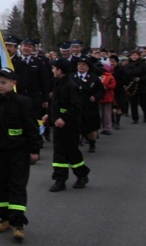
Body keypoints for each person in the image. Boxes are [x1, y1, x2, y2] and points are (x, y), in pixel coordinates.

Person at [0, 67, 40, 241]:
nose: (0, 86)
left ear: (13, 83)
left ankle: (18, 223)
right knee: (0, 186)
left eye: (4, 83)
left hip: (18, 152)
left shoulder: (22, 102)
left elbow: (31, 127)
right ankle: (4, 218)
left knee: (16, 186)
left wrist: (34, 150)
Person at [46, 58, 90, 192]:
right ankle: (60, 179)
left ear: (60, 70)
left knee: (71, 151)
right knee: (59, 152)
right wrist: (49, 115)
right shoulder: (58, 83)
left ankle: (82, 174)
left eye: (54, 68)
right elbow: (55, 103)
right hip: (58, 124)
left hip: (70, 125)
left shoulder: (71, 85)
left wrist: (64, 118)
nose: (52, 71)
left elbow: (75, 106)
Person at [72, 59, 104, 153]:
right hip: (76, 106)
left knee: (91, 127)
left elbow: (101, 91)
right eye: (79, 64)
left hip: (90, 106)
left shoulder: (93, 78)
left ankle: (92, 143)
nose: (81, 66)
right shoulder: (72, 77)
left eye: (83, 64)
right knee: (76, 126)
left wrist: (95, 97)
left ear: (88, 67)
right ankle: (76, 144)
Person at [99, 62, 117, 134]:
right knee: (102, 114)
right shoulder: (100, 76)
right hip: (101, 97)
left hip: (108, 96)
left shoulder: (110, 76)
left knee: (107, 113)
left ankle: (108, 128)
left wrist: (106, 87)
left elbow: (113, 85)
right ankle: (104, 127)